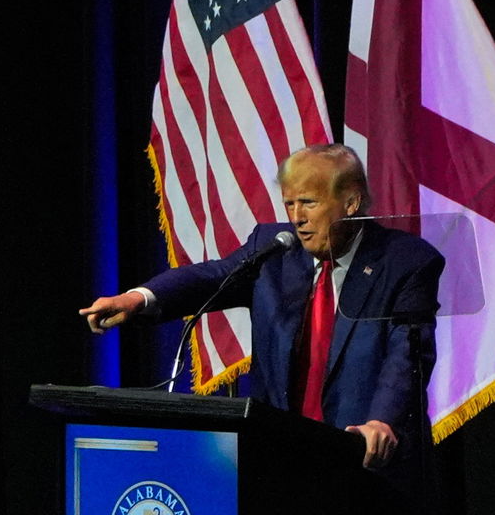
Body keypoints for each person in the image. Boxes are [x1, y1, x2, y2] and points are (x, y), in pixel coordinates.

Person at [80, 143, 443, 476]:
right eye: (290, 204)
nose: (297, 217)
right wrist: (137, 298)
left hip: (362, 458)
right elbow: (213, 276)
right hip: (281, 455)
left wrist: (382, 421)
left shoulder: (405, 262)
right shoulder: (274, 250)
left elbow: (406, 355)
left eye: (309, 203)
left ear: (350, 202)